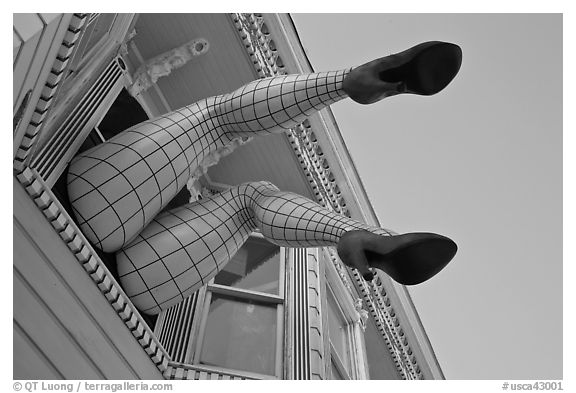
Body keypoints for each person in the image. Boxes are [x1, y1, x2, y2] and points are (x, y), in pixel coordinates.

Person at [68, 41, 462, 315]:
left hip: (93, 197)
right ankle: (351, 233)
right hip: (144, 284)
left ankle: (347, 81)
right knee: (247, 194)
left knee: (218, 122)